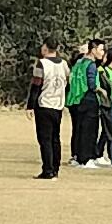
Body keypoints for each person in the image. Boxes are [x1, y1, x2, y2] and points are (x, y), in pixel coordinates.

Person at [32, 41, 71, 179]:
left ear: (45, 48)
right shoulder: (64, 64)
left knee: (45, 139)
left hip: (44, 104)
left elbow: (36, 86)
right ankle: (55, 168)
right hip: (58, 105)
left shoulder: (41, 63)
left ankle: (47, 169)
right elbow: (67, 83)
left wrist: (30, 105)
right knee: (56, 138)